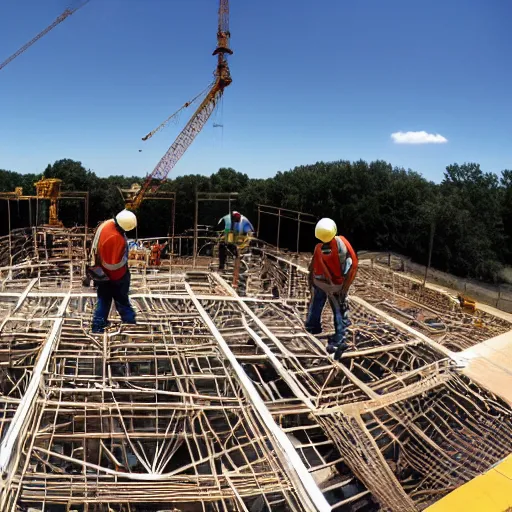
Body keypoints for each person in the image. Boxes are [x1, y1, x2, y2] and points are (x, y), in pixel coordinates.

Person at [305, 218, 358, 359]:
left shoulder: (318, 248)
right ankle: (340, 338)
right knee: (339, 310)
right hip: (336, 286)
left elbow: (312, 268)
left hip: (320, 282)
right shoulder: (343, 246)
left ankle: (312, 327)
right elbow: (351, 268)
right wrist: (344, 289)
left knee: (316, 304)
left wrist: (312, 282)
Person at [90, 210, 138, 334]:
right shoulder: (116, 238)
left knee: (103, 299)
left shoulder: (106, 224)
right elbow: (113, 265)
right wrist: (123, 275)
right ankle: (129, 323)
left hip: (97, 269)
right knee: (121, 300)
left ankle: (98, 325)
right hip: (112, 275)